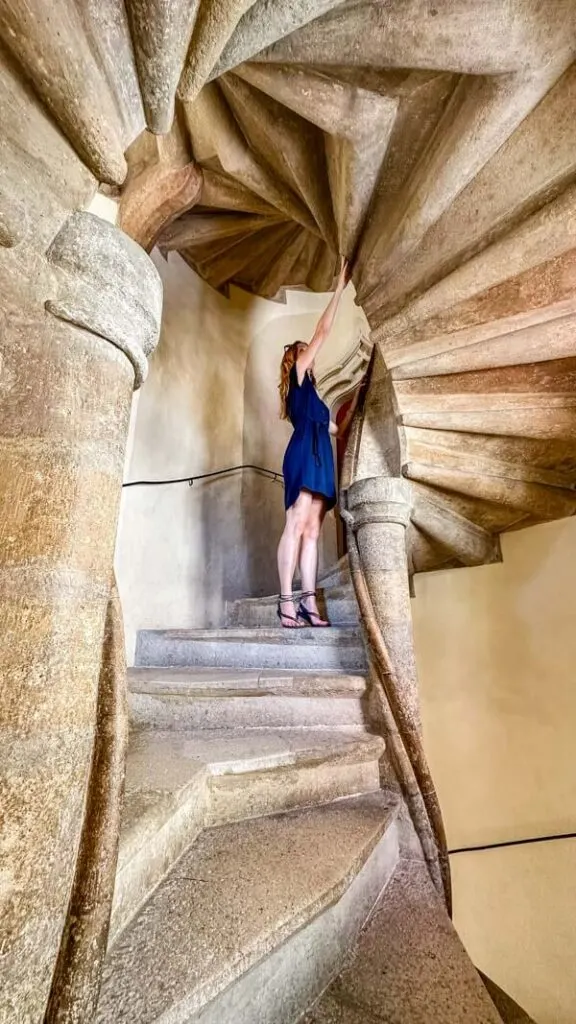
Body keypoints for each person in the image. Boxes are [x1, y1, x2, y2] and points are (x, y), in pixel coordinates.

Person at [276, 258, 364, 628]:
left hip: (320, 458)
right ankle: (285, 602)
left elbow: (335, 429)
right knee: (296, 524)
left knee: (313, 529)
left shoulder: (314, 395)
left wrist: (363, 392)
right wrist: (339, 287)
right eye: (303, 349)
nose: (309, 351)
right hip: (302, 455)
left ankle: (309, 605)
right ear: (296, 358)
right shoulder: (297, 377)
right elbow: (323, 331)